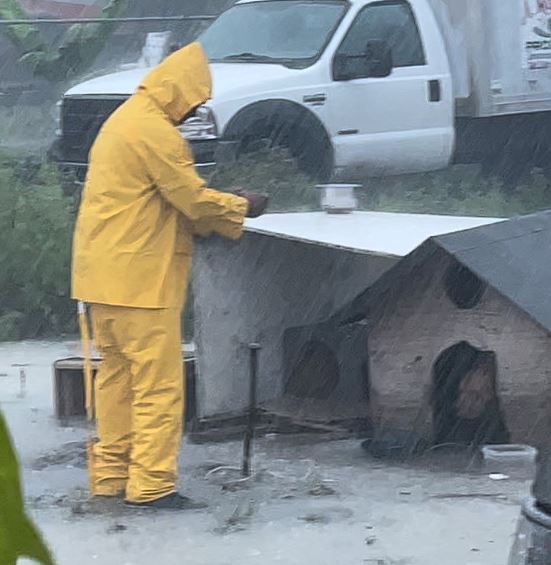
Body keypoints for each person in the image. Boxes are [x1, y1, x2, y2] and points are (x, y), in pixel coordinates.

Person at [72, 42, 268, 510]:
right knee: (158, 388)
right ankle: (153, 486)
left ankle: (110, 479)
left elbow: (167, 200)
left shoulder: (121, 121)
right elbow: (193, 200)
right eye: (195, 102)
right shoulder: (156, 132)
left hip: (100, 278)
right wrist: (242, 206)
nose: (193, 112)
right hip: (141, 281)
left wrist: (213, 209)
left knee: (116, 384)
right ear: (180, 92)